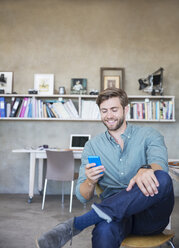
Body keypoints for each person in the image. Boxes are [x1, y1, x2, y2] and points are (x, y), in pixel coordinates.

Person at [36, 88, 174, 248]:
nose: (109, 115)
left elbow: (160, 163)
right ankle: (94, 218)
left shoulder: (149, 134)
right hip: (115, 218)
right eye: (104, 111)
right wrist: (89, 181)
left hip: (150, 217)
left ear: (126, 109)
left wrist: (147, 169)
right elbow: (83, 196)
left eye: (114, 110)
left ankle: (78, 223)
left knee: (162, 178)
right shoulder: (92, 146)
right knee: (104, 230)